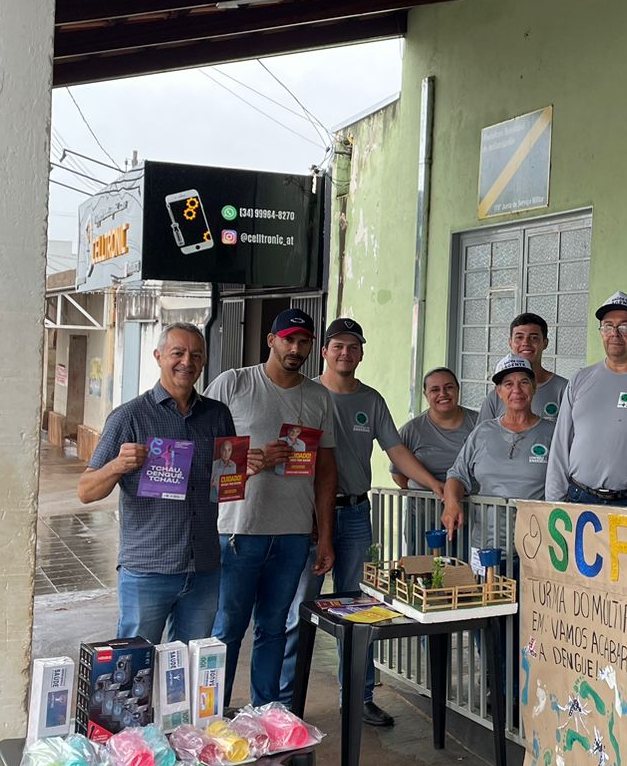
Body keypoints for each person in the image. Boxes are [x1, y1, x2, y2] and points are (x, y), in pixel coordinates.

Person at [282, 317, 444, 728]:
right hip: (308, 516)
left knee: (357, 610)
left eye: (353, 347)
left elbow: (396, 450)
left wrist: (436, 486)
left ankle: (359, 696)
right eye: (338, 346)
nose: (345, 353)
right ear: (324, 351)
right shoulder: (306, 394)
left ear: (361, 353)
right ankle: (286, 705)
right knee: (298, 608)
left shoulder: (370, 401)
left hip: (354, 514)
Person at [203, 309, 336, 708]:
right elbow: (203, 455)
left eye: (304, 341)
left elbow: (326, 471)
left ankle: (265, 715)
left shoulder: (317, 396)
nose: (296, 349)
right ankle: (211, 718)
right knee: (226, 630)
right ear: (271, 340)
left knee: (274, 628)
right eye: (289, 339)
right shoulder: (234, 383)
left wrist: (325, 534)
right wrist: (251, 460)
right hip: (238, 531)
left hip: (293, 533)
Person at [79, 321, 236, 643]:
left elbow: (225, 483)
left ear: (204, 361)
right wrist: (117, 466)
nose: (187, 362)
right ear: (159, 356)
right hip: (148, 570)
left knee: (192, 667)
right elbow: (86, 491)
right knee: (134, 669)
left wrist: (250, 467)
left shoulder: (218, 415)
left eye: (196, 355)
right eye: (177, 353)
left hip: (204, 566)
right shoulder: (129, 417)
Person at [544, 292, 627, 506]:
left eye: (625, 327)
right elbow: (561, 444)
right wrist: (554, 503)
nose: (615, 334)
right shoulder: (581, 378)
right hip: (579, 498)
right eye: (607, 326)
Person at [441, 355, 557, 534]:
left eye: (524, 382)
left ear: (534, 388)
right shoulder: (482, 432)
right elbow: (457, 475)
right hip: (486, 545)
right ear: (499, 391)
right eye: (508, 384)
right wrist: (451, 504)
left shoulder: (553, 433)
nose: (516, 390)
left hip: (536, 546)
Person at [392, 367, 478, 489]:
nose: (443, 394)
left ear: (458, 389)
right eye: (435, 389)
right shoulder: (411, 431)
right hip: (424, 506)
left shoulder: (480, 424)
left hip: (472, 505)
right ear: (425, 395)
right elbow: (398, 476)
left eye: (449, 387)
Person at [478, 312, 568, 421]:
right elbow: (482, 435)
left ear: (545, 343)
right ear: (510, 342)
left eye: (534, 338)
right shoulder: (497, 396)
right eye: (519, 337)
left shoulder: (564, 389)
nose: (525, 343)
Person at [209, 438, 240, 503]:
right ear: (220, 450)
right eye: (224, 450)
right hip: (215, 496)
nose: (226, 453)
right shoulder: (214, 464)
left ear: (231, 451)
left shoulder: (233, 465)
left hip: (229, 497)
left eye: (229, 450)